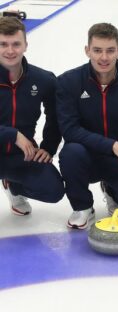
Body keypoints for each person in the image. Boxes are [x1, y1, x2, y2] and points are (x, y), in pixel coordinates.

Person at [56, 22, 118, 229]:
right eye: (97, 50)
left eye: (110, 51)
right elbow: (70, 130)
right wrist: (113, 145)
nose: (104, 57)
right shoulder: (68, 82)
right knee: (70, 151)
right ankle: (82, 206)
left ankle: (111, 189)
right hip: (86, 158)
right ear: (87, 51)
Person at [0, 17, 64, 215]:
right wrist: (13, 135)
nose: (10, 51)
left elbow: (56, 117)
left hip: (22, 156)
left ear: (25, 45)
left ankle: (14, 186)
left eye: (16, 44)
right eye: (3, 44)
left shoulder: (43, 79)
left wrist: (48, 147)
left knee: (53, 190)